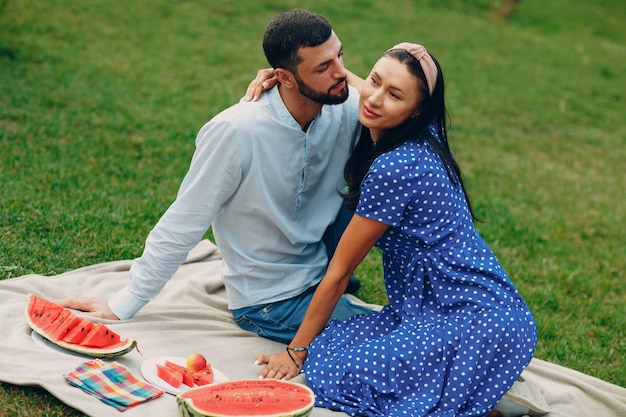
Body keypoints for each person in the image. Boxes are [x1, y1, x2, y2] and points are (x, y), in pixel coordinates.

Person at [57, 9, 375, 344]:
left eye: (340, 57)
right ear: (285, 77)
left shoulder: (346, 105)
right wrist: (124, 303)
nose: (341, 73)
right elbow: (184, 221)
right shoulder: (235, 132)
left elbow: (414, 116)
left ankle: (332, 280)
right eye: (324, 67)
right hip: (269, 300)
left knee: (390, 171)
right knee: (395, 339)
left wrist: (345, 78)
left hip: (317, 265)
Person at [255, 44, 538, 417]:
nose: (373, 98)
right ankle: (471, 396)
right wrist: (289, 77)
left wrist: (295, 351)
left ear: (416, 108)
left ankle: (476, 407)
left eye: (394, 95)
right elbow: (368, 90)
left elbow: (340, 273)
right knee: (331, 344)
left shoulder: (395, 169)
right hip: (438, 309)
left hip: (476, 317)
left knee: (330, 372)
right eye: (374, 80)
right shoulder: (423, 129)